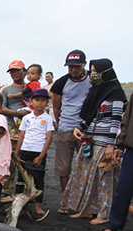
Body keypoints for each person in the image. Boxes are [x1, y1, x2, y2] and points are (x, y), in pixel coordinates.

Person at [63, 58, 126, 225]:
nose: (93, 75)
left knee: (103, 179)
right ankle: (87, 210)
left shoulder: (116, 93)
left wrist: (110, 145)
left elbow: (116, 121)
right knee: (85, 177)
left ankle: (104, 214)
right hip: (90, 141)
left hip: (104, 143)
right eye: (92, 71)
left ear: (106, 72)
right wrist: (79, 127)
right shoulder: (96, 91)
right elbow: (90, 116)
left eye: (96, 71)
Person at [51, 49, 92, 204]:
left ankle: (84, 200)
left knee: (87, 165)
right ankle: (66, 199)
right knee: (63, 167)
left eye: (77, 66)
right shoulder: (61, 83)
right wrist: (60, 123)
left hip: (86, 130)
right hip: (66, 128)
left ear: (84, 64)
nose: (74, 70)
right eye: (70, 67)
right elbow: (56, 107)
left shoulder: (92, 80)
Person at [14, 88, 55, 220]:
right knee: (21, 179)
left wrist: (41, 155)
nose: (40, 103)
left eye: (43, 100)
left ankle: (38, 205)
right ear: (31, 101)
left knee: (38, 179)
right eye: (37, 100)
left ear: (47, 103)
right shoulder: (26, 118)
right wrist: (16, 153)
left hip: (38, 152)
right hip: (25, 151)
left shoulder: (48, 119)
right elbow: (21, 136)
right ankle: (17, 204)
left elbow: (49, 138)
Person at [99, 92, 133, 231]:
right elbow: (126, 119)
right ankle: (114, 225)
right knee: (124, 189)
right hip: (131, 150)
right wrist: (120, 144)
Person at [0, 60, 31, 133]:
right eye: (12, 72)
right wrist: (17, 113)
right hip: (13, 127)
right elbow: (0, 109)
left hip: (32, 126)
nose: (15, 73)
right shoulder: (5, 90)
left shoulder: (33, 88)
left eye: (17, 71)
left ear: (25, 71)